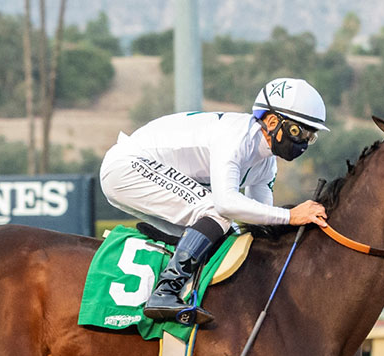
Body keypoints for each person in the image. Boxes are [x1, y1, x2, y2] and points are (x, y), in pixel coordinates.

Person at [100, 77, 330, 325]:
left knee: (228, 231)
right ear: (272, 121)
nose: (304, 142)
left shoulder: (266, 164)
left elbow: (258, 224)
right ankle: (165, 292)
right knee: (216, 212)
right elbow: (226, 204)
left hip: (139, 170)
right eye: (299, 131)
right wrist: (291, 216)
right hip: (128, 165)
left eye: (311, 135)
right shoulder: (237, 137)